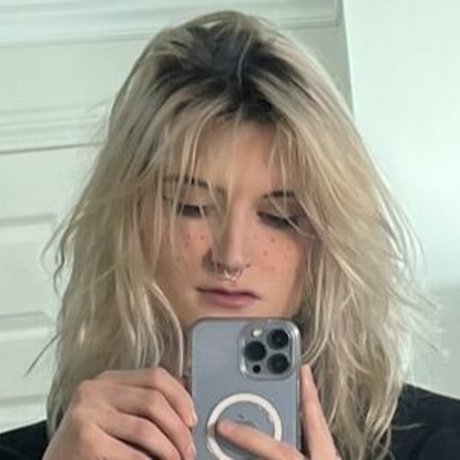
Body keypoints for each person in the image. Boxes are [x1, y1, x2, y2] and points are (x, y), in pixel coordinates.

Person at [1, 10, 459, 460]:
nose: (231, 256)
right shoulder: (51, 451)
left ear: (329, 239)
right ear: (130, 221)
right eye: (191, 206)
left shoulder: (443, 441)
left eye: (281, 217)